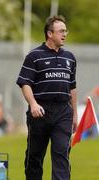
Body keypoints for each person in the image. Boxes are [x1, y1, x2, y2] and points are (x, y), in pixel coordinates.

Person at [16, 15, 77, 180]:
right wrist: (33, 104)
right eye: (61, 31)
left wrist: (75, 115)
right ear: (50, 33)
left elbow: (72, 88)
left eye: (66, 31)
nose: (65, 34)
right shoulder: (34, 56)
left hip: (63, 111)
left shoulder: (70, 58)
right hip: (40, 111)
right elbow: (25, 83)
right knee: (34, 157)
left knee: (61, 155)